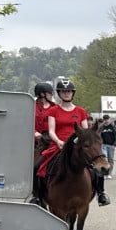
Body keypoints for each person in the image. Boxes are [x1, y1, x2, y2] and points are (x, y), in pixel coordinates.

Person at [36, 77, 91, 206]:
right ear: (59, 94)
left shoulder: (81, 111)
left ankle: (100, 193)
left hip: (77, 147)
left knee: (95, 166)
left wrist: (78, 143)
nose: (66, 93)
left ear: (73, 93)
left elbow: (85, 131)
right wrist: (59, 141)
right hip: (58, 145)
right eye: (63, 91)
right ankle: (38, 196)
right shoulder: (53, 110)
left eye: (69, 91)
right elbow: (51, 131)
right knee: (37, 167)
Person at [31, 81, 56, 202]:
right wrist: (34, 132)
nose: (51, 95)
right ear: (42, 94)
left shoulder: (55, 108)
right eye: (49, 93)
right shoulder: (31, 106)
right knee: (33, 167)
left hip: (49, 141)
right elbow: (25, 121)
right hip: (33, 142)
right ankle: (35, 194)